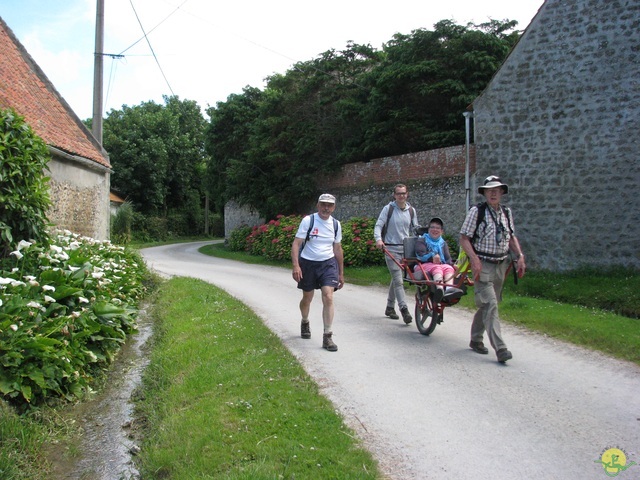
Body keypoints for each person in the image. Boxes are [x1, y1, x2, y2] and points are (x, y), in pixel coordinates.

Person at [459, 175, 526, 363]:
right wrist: (474, 259)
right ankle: (501, 348)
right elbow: (464, 237)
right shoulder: (477, 212)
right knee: (490, 304)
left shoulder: (506, 212)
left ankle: (475, 339)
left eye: (497, 190)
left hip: (500, 266)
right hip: (483, 265)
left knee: (488, 304)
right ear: (485, 193)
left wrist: (520, 256)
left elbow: (511, 237)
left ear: (502, 192)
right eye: (490, 190)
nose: (493, 193)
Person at [291, 193, 345, 352]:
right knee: (307, 298)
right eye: (323, 204)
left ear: (334, 207)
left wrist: (341, 273)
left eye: (329, 205)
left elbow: (337, 248)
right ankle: (305, 321)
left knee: (328, 295)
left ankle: (327, 336)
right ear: (318, 205)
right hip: (308, 263)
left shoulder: (336, 225)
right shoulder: (309, 221)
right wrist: (296, 266)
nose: (326, 208)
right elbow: (296, 244)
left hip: (328, 264)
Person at [374, 184, 420, 324]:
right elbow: (379, 225)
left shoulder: (411, 210)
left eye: (403, 193)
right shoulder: (388, 209)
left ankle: (389, 307)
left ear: (407, 194)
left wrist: (423, 240)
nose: (401, 196)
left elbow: (415, 229)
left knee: (396, 279)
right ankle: (404, 309)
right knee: (399, 280)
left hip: (406, 250)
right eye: (398, 193)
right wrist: (379, 240)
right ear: (394, 195)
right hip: (390, 248)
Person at [413, 217, 462, 304]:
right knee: (437, 268)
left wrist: (453, 265)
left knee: (448, 268)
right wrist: (432, 256)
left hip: (439, 266)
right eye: (432, 227)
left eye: (438, 228)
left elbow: (447, 259)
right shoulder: (422, 240)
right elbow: (420, 255)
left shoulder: (442, 243)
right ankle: (439, 290)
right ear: (428, 229)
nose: (435, 230)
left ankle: (449, 290)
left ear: (441, 231)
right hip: (422, 265)